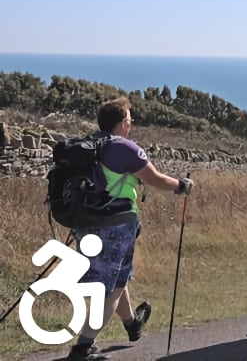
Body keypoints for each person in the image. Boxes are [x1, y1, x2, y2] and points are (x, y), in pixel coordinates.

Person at [67, 97, 193, 361]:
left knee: (116, 276)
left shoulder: (89, 145)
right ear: (122, 122)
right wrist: (181, 186)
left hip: (86, 221)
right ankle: (84, 346)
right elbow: (155, 179)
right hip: (116, 223)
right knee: (110, 286)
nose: (131, 124)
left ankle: (132, 323)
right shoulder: (125, 148)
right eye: (129, 120)